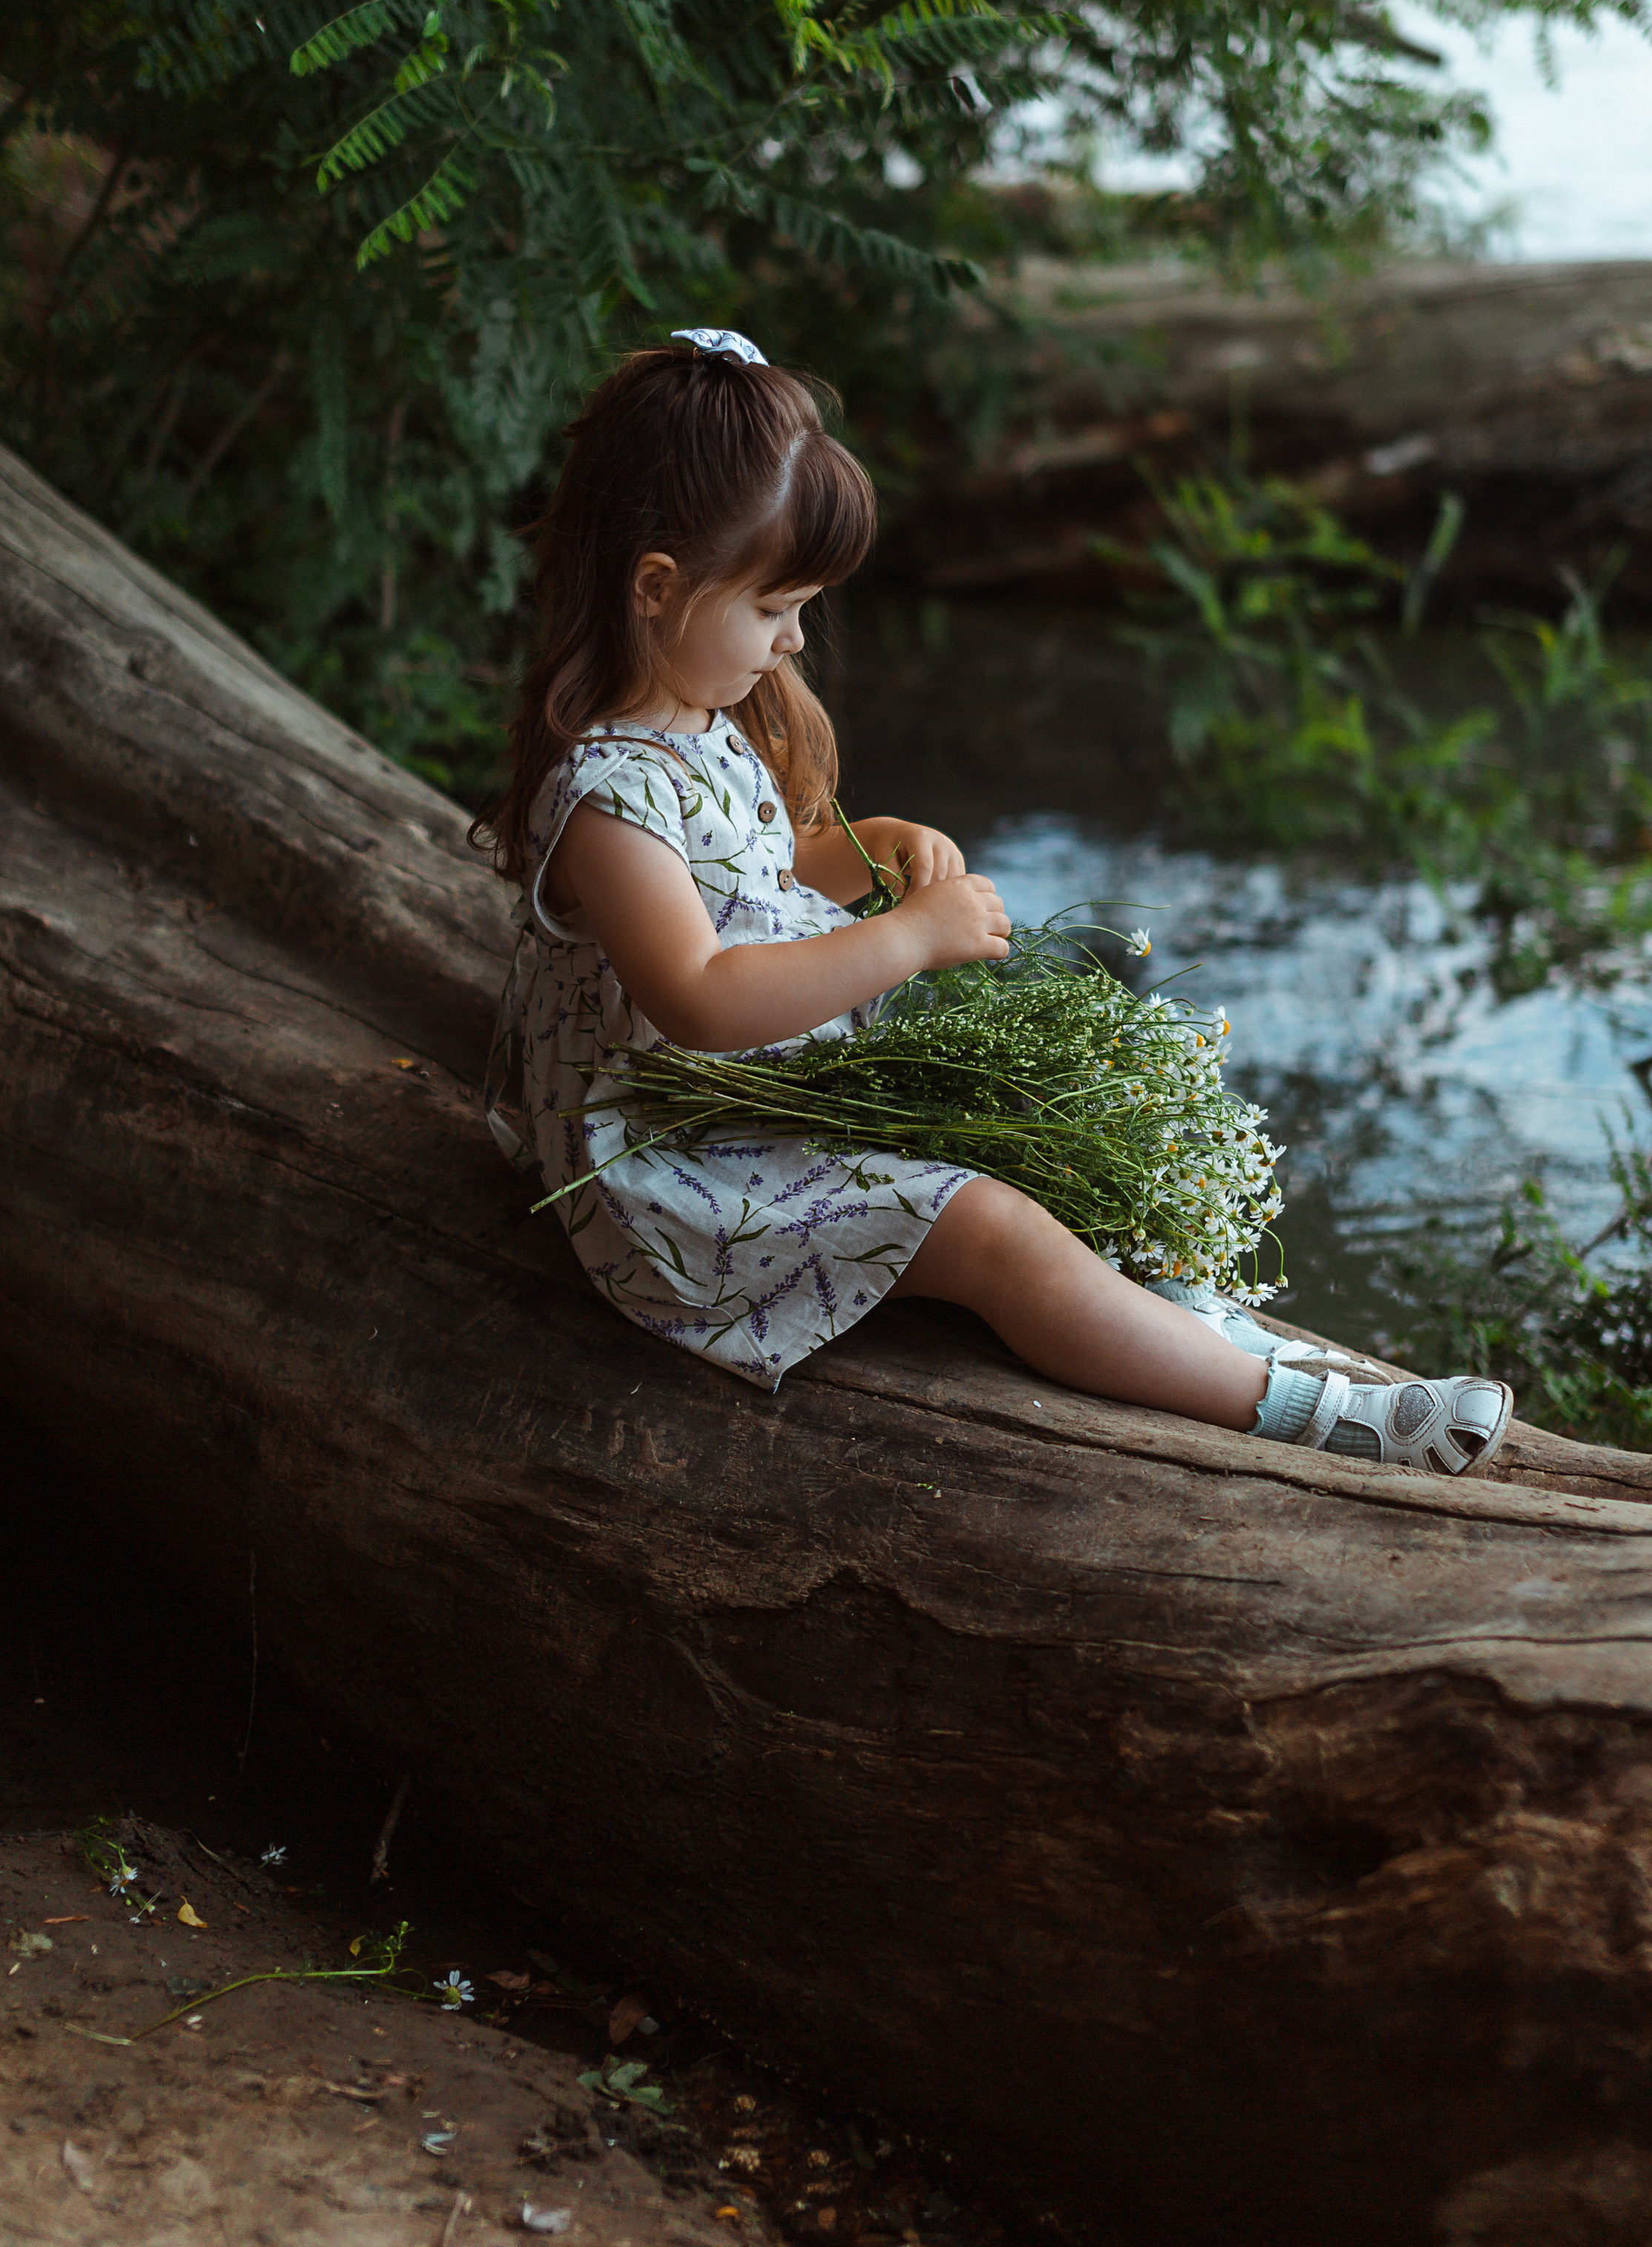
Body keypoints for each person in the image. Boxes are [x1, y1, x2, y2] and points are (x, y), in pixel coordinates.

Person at [475, 332, 1512, 1476]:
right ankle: (1306, 1418)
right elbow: (702, 994)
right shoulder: (610, 794)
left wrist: (868, 850)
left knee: (1042, 1140)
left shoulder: (699, 721)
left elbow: (754, 878)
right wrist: (907, 938)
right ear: (657, 588)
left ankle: (1202, 1329)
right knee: (992, 1229)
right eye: (776, 607)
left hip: (759, 1102)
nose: (796, 639)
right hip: (676, 1174)